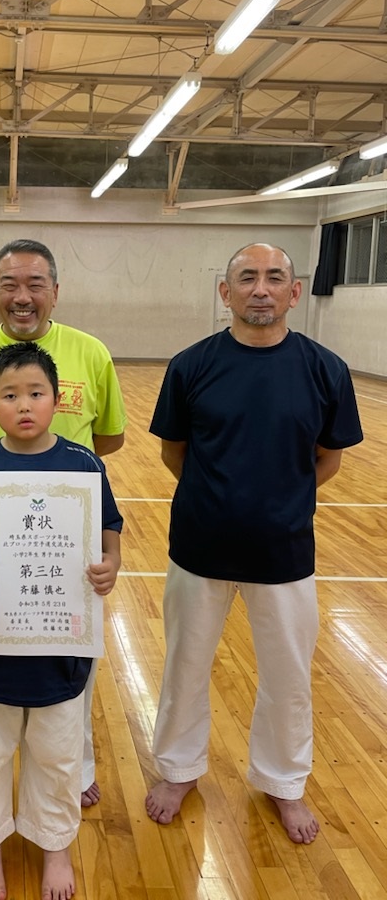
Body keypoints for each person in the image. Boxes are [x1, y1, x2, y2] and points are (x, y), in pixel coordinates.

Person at [145, 242, 363, 845]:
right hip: (199, 547)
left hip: (286, 553)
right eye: (247, 278)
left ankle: (284, 781)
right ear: (226, 292)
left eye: (274, 278)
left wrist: (278, 504)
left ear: (295, 293)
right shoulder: (191, 365)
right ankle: (178, 770)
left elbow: (328, 459)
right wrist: (220, 501)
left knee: (288, 676)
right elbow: (175, 453)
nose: (260, 289)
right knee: (185, 666)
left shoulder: (326, 369)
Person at [0, 238, 127, 808]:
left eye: (36, 284)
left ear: (55, 292)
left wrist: (62, 465)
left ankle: (74, 768)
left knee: (70, 660)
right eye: (9, 284)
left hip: (67, 551)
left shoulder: (92, 352)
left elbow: (109, 437)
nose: (22, 296)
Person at [0, 341, 123, 900]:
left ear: (56, 400)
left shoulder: (84, 464)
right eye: (10, 395)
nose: (24, 405)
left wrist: (111, 564)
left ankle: (55, 845)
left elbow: (109, 529)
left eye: (36, 393)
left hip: (59, 641)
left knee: (58, 749)